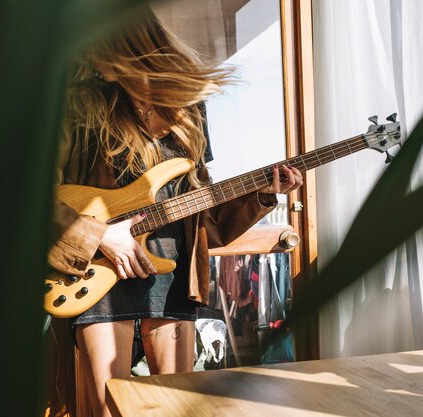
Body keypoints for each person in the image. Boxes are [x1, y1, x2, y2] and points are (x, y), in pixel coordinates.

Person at [47, 7, 303, 417]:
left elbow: (205, 220)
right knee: (107, 406)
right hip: (98, 274)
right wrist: (100, 235)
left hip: (172, 275)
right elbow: (35, 199)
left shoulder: (189, 109)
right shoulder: (80, 103)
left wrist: (262, 196)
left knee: (175, 406)